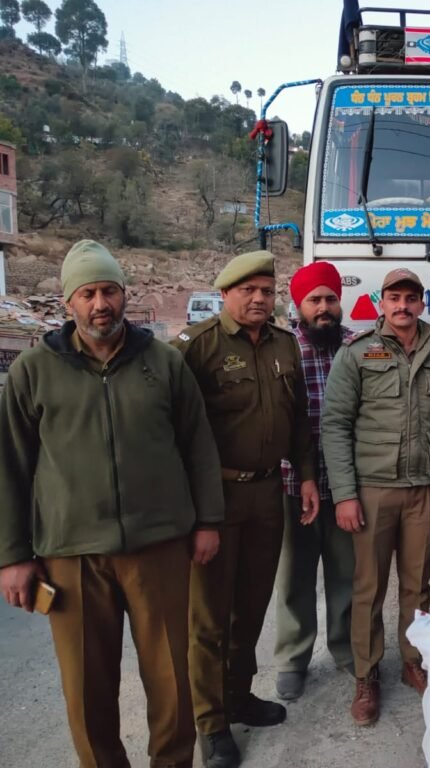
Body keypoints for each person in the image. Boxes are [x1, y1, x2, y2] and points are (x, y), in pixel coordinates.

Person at [0, 240, 224, 768]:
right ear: (68, 302)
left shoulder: (164, 363)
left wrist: (208, 520)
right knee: (87, 688)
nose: (100, 304)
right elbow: (10, 465)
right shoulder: (34, 370)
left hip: (159, 547)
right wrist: (13, 556)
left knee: (171, 681)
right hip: (71, 554)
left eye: (109, 291)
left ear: (125, 294)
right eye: (88, 293)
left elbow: (198, 446)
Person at [174, 251, 318, 768]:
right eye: (248, 291)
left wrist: (306, 475)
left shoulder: (284, 344)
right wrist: (192, 511)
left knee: (251, 606)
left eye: (267, 290)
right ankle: (210, 723)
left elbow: (298, 418)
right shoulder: (196, 347)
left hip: (267, 494)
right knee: (209, 617)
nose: (259, 299)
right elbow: (173, 430)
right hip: (215, 497)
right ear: (225, 294)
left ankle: (237, 696)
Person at [321, 267, 430, 727]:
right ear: (381, 302)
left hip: (427, 487)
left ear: (421, 302)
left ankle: (413, 660)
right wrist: (345, 494)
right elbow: (335, 424)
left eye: (410, 298)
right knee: (368, 587)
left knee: (417, 584)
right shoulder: (357, 352)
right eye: (394, 298)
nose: (402, 306)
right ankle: (366, 675)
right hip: (374, 489)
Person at [274, 262, 357, 701]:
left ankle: (347, 649)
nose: (323, 308)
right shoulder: (282, 349)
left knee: (347, 573)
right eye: (314, 300)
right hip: (293, 485)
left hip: (346, 487)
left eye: (330, 299)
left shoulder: (359, 346)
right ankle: (293, 658)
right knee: (295, 578)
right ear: (298, 305)